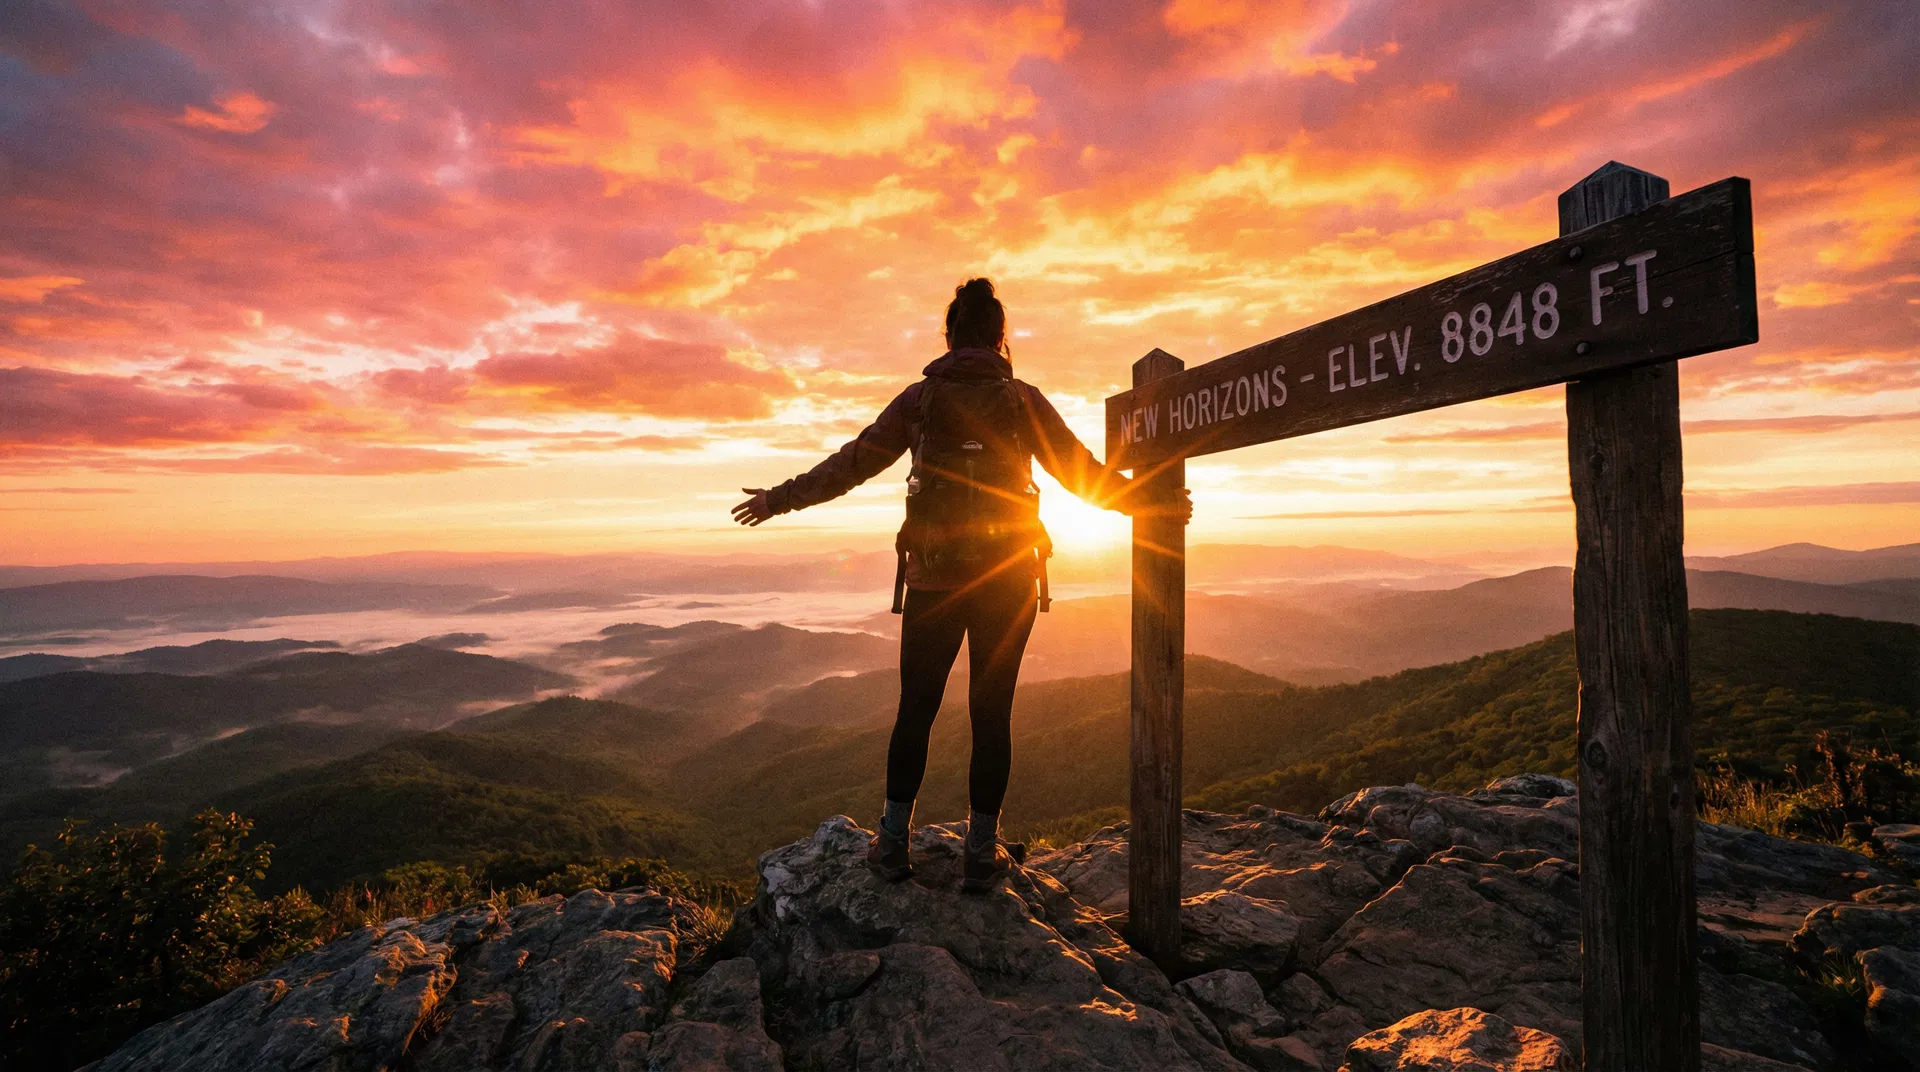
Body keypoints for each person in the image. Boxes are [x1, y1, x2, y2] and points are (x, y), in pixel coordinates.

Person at [731, 277, 1189, 893]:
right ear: (1001, 338)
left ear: (949, 336)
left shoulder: (920, 401)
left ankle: (892, 843)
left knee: (914, 711)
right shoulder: (1023, 401)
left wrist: (777, 499)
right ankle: (980, 850)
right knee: (991, 714)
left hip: (933, 580)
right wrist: (1150, 507)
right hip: (1007, 580)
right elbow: (1084, 476)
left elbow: (853, 464)